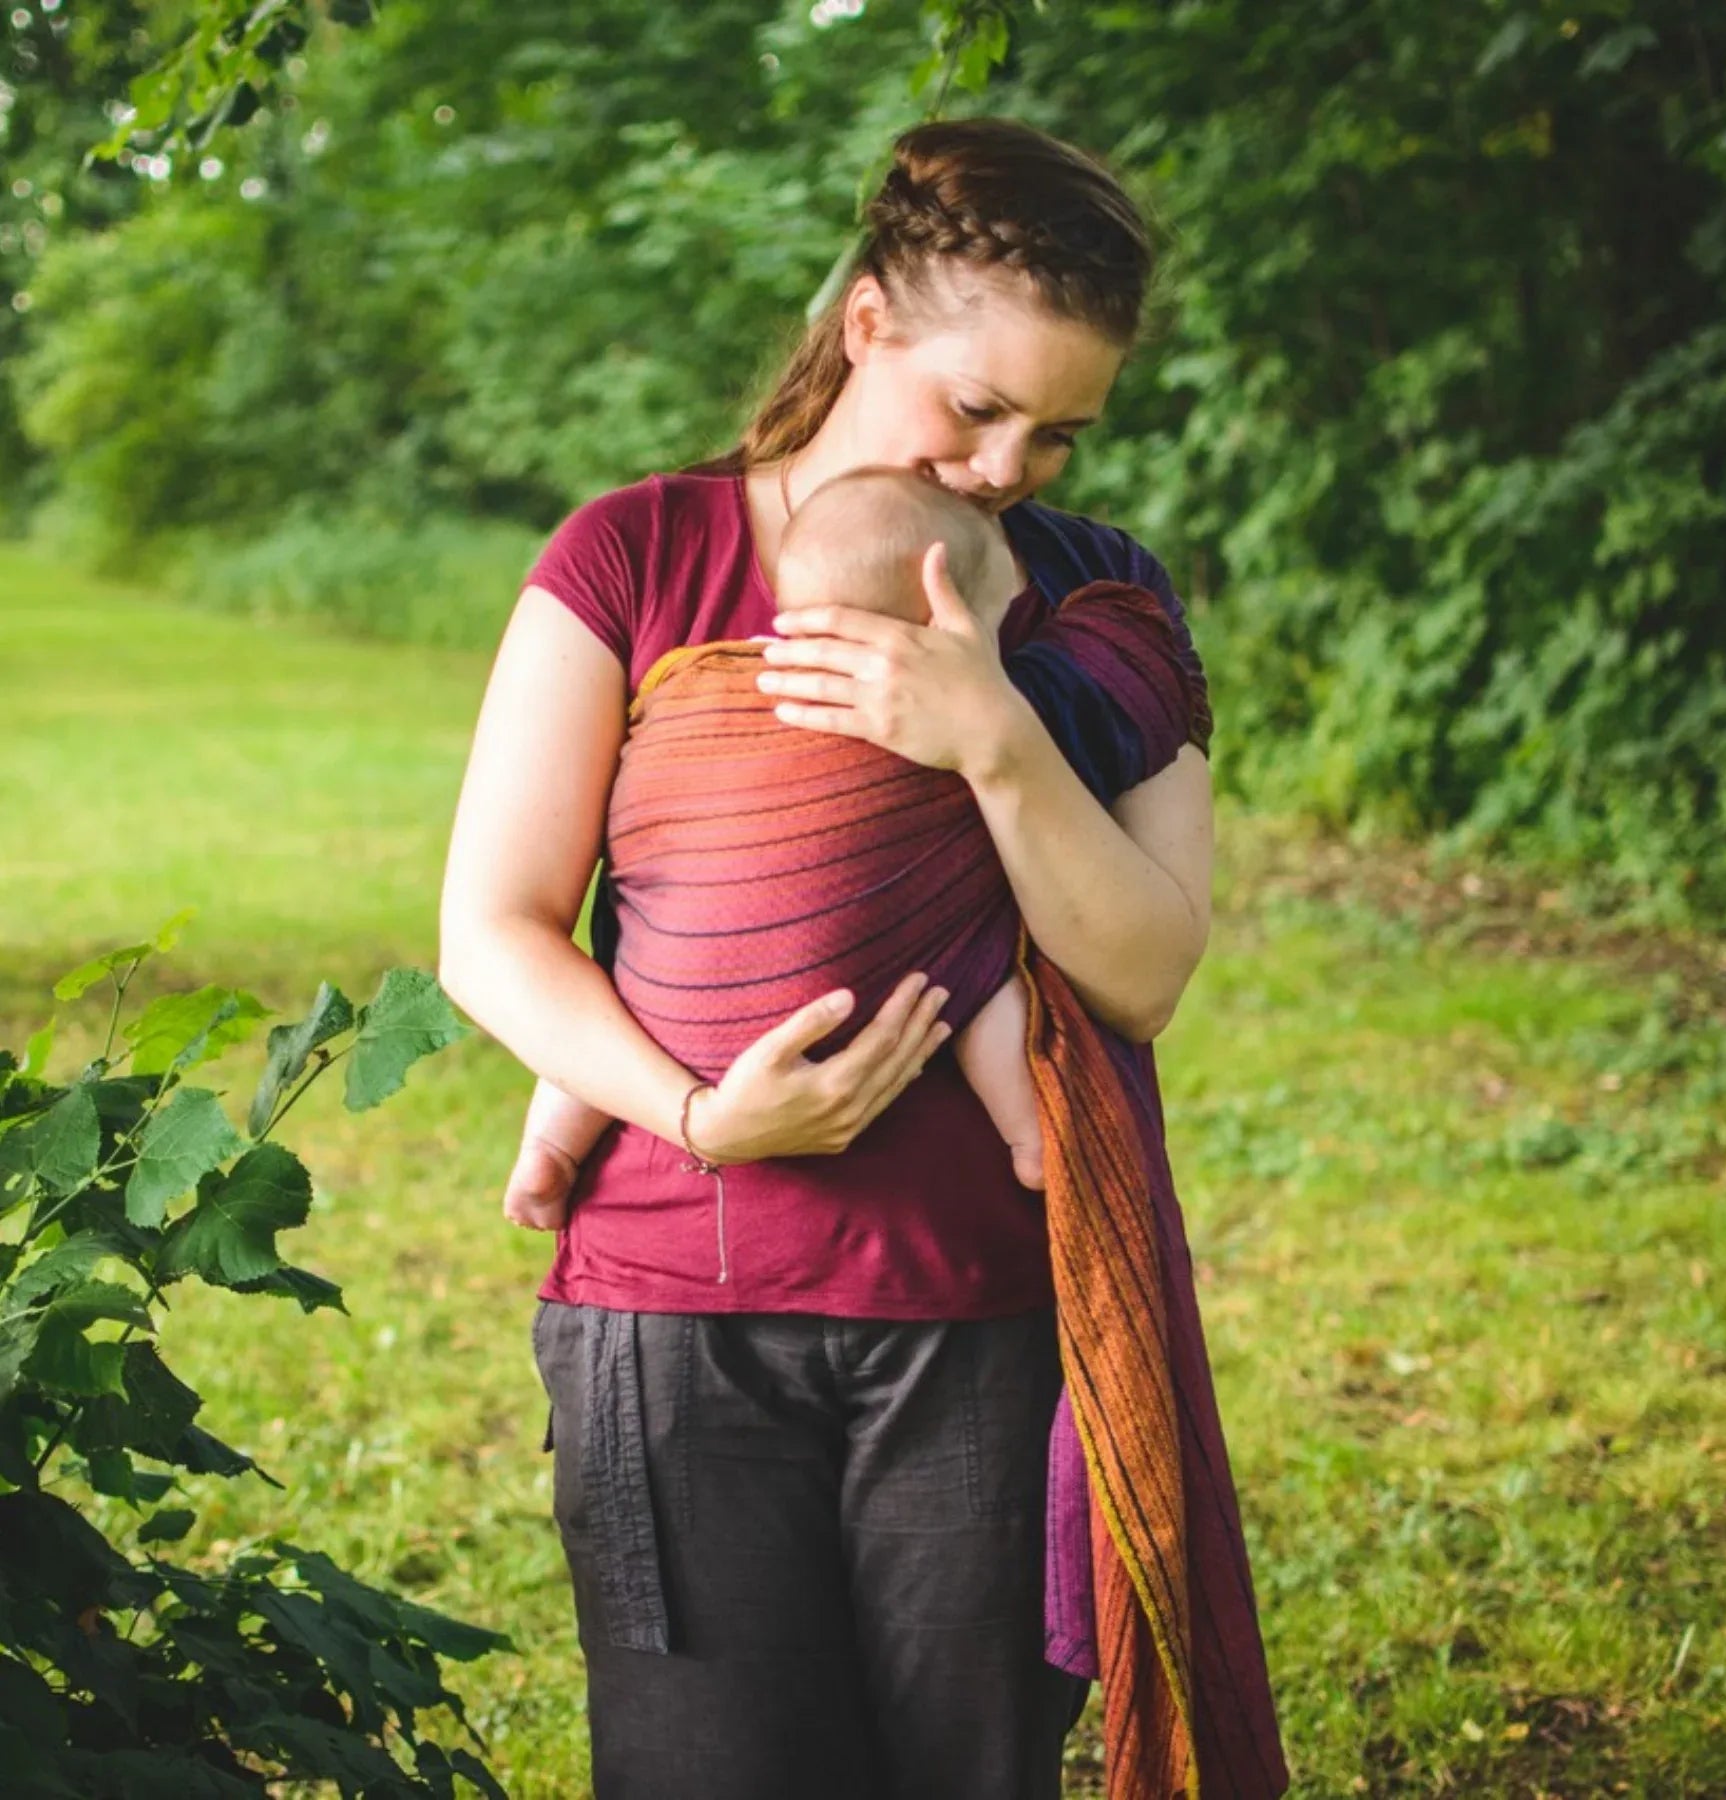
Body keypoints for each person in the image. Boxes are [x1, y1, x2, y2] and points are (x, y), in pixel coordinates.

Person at [439, 115, 1289, 1800]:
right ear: (869, 324)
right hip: (672, 1309)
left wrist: (997, 740)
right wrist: (698, 1118)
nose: (1007, 472)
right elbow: (495, 929)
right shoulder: (638, 555)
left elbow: (1142, 971)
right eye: (980, 411)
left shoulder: (1094, 602)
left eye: (1061, 433)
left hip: (981, 1310)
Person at [501, 465, 1054, 1236]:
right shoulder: (928, 719)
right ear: (939, 613)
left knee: (623, 978)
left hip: (666, 1012)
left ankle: (549, 1145)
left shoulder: (708, 680)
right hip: (851, 1001)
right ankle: (1030, 1140)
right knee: (985, 973)